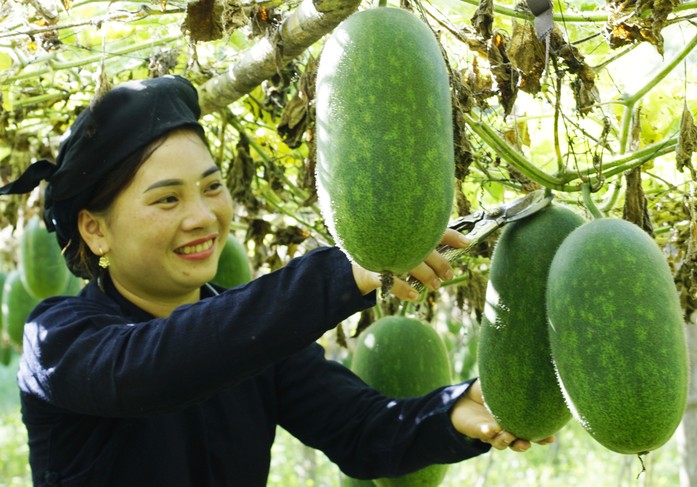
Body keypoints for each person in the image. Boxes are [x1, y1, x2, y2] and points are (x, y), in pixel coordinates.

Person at [0, 75, 552, 486]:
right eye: (168, 198)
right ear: (95, 230)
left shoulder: (252, 335)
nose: (202, 217)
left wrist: (453, 413)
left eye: (212, 188)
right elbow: (158, 368)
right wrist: (344, 270)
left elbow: (361, 430)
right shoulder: (59, 340)